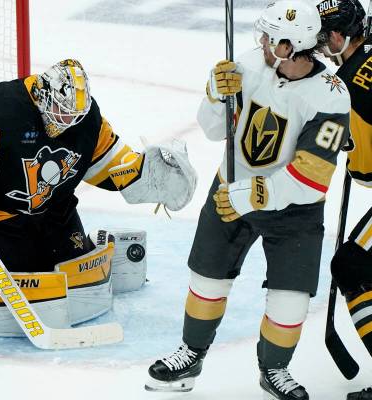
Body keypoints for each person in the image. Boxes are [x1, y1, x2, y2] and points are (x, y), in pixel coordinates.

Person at [145, 1, 350, 399]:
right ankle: (191, 353)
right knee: (207, 278)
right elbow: (210, 129)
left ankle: (273, 370)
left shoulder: (331, 97)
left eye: (270, 39)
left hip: (294, 212)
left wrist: (255, 195)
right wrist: (214, 95)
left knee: (290, 303)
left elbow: (312, 177)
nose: (261, 42)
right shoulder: (250, 64)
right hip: (230, 187)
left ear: (290, 46)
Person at [0, 58, 196, 273]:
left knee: (71, 267)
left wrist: (144, 175)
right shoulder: (0, 110)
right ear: (42, 96)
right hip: (1, 216)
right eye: (61, 112)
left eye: (74, 115)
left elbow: (110, 161)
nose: (67, 121)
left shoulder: (87, 120)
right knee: (16, 272)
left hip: (55, 209)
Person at [316, 1, 372, 399]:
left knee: (351, 266)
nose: (317, 46)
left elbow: (363, 170)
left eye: (322, 38)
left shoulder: (348, 88)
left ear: (338, 37)